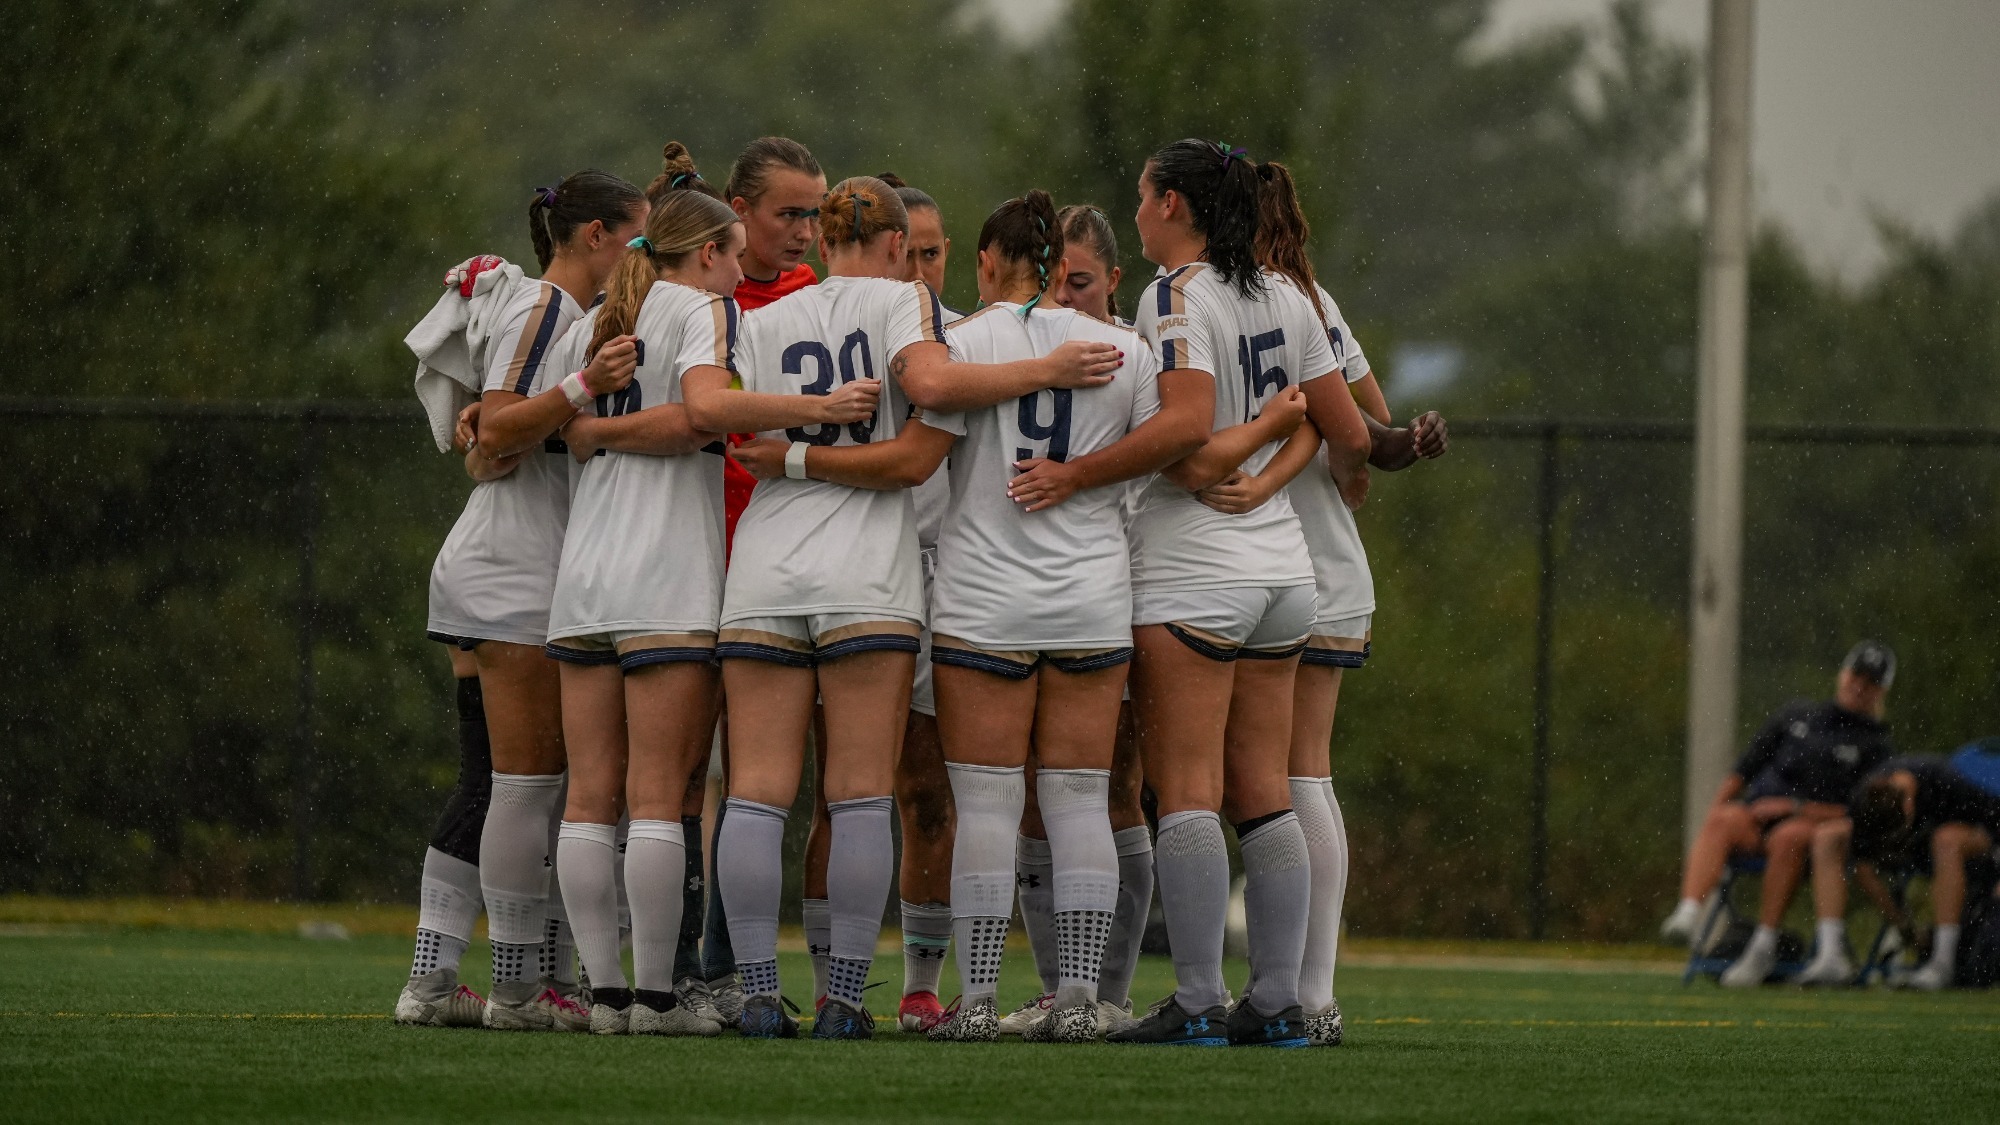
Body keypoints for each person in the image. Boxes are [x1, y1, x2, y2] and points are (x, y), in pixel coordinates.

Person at [700, 176, 1123, 1041]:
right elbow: (917, 441)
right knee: (861, 796)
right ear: (898, 247)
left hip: (765, 568)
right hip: (866, 576)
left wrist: (785, 457)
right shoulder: (907, 310)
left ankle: (751, 990)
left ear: (822, 241)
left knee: (756, 796)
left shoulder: (763, 317)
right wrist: (1044, 367)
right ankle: (846, 1000)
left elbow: (728, 424)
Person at [916, 189, 1204, 1044]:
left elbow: (923, 453)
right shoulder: (1125, 346)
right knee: (1081, 801)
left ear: (995, 258)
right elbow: (1172, 447)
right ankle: (1079, 999)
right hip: (1088, 598)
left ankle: (972, 1005)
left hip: (982, 598)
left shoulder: (964, 343)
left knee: (988, 805)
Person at [1105, 139, 1370, 1049]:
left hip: (1195, 574)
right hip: (1286, 576)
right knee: (1265, 791)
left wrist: (1236, 450)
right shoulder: (1288, 291)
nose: (1136, 210)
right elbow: (1351, 434)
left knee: (1184, 789)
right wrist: (1267, 472)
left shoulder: (1175, 294)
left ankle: (1195, 1002)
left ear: (1173, 204)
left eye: (1143, 195)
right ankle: (1280, 1003)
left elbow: (1185, 451)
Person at [1193, 163, 1447, 1045]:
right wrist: (1389, 451)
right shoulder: (1312, 300)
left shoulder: (1243, 301)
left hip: (1289, 567)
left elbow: (1353, 435)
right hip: (1306, 564)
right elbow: (1369, 435)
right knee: (1285, 777)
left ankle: (1305, 993)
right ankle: (1300, 992)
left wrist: (1288, 468)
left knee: (1290, 776)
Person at [414, 170, 647, 1031]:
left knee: (500, 782)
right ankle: (515, 987)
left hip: (513, 563)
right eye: (635, 238)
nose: (640, 258)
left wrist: (499, 429)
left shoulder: (568, 317)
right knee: (527, 784)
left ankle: (442, 979)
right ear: (593, 236)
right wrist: (583, 390)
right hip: (511, 569)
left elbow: (490, 443)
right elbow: (507, 422)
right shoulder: (546, 309)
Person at [543, 163, 743, 1036]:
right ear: (705, 253)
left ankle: (603, 995)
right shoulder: (703, 310)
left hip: (586, 576)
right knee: (659, 794)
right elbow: (699, 420)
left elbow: (569, 427)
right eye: (733, 255)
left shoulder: (597, 317)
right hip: (667, 576)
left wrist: (591, 432)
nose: (741, 274)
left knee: (591, 796)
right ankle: (656, 998)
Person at [686, 136, 829, 1026]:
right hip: (690, 549)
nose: (804, 232)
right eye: (788, 213)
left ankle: (730, 961)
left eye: (815, 213)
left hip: (779, 560)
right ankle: (641, 966)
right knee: (660, 774)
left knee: (760, 772)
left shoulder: (818, 297)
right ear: (737, 215)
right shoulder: (695, 298)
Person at [1000, 203, 1150, 1037]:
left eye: (1082, 280)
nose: (1065, 293)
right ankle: (1059, 989)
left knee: (1114, 791)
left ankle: (1106, 995)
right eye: (1055, 277)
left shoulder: (1139, 356)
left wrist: (1079, 476)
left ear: (1114, 282)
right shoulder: (1015, 345)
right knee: (1029, 795)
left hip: (1115, 590)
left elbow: (1181, 444)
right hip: (1022, 595)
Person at [1652, 641, 1896, 986]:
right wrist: (1718, 807)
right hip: (1758, 823)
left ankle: (1763, 945)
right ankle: (1689, 912)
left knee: (1789, 836)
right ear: (1843, 674)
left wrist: (1796, 808)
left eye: (1870, 682)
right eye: (1856, 675)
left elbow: (1862, 814)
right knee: (1724, 818)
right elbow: (1745, 768)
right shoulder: (1797, 714)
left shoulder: (1876, 746)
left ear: (1881, 691)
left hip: (1812, 836)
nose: (1859, 686)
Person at [1834, 754, 2000, 989]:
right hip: (1919, 856)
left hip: (1975, 849)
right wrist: (1906, 928)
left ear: (1910, 805)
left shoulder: (1940, 780)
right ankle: (1903, 936)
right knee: (1838, 841)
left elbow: (1993, 815)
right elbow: (1861, 859)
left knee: (1946, 841)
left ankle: (1943, 962)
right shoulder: (1865, 798)